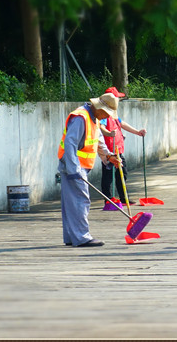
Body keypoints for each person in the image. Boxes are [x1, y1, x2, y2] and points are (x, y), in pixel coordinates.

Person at [57, 92, 120, 247]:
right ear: (99, 108)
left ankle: (72, 237)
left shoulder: (94, 118)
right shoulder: (81, 117)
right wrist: (74, 170)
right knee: (80, 200)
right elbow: (70, 143)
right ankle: (82, 237)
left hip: (78, 166)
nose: (107, 116)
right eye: (106, 113)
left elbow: (98, 141)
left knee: (71, 203)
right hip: (74, 167)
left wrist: (108, 155)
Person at [98, 86, 146, 205]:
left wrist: (137, 132)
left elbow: (122, 123)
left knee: (122, 174)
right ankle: (108, 200)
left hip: (118, 149)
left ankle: (124, 198)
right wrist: (109, 133)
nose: (119, 100)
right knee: (108, 176)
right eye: (117, 98)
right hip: (110, 151)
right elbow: (101, 127)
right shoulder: (104, 114)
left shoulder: (114, 113)